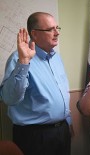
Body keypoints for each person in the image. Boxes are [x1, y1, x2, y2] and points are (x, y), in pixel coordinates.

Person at [0, 12, 71, 155]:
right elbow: (10, 99)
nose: (57, 33)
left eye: (57, 28)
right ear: (35, 34)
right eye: (51, 29)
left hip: (62, 131)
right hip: (34, 136)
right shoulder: (18, 59)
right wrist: (24, 62)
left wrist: (68, 121)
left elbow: (62, 93)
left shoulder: (57, 58)